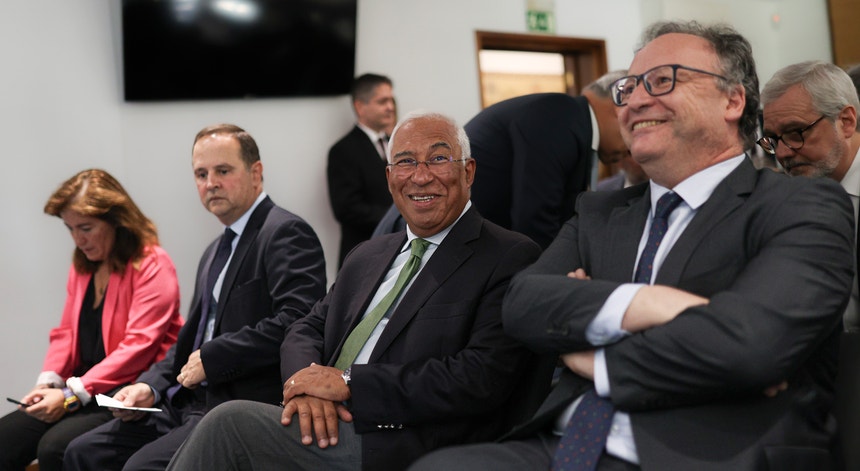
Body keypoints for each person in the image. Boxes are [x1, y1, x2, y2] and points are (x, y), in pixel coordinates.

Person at [411, 20, 854, 471]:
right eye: (629, 87)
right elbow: (523, 304)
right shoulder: (599, 212)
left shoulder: (801, 205)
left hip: (712, 450)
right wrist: (647, 303)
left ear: (732, 100)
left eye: (663, 80)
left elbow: (751, 347)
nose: (636, 100)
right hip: (560, 444)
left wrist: (593, 356)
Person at [165, 111, 549, 471]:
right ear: (389, 177)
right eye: (405, 162)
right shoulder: (368, 255)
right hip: (325, 422)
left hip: (402, 437)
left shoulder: (508, 255)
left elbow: (480, 377)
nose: (420, 177)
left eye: (437, 159)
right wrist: (307, 386)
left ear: (468, 171)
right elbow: (305, 327)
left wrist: (349, 384)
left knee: (227, 424)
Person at [63, 124, 328, 470]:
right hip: (186, 399)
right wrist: (150, 386)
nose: (210, 183)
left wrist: (214, 357)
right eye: (201, 174)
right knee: (81, 452)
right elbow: (192, 338)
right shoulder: (215, 250)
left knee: (139, 467)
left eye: (223, 171)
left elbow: (296, 322)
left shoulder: (285, 232)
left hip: (234, 403)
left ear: (256, 173)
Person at [0, 169, 183, 471]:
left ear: (117, 221)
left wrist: (70, 394)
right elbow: (66, 332)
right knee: (5, 438)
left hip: (126, 393)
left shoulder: (153, 264)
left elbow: (138, 347)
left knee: (55, 448)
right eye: (70, 228)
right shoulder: (83, 265)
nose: (77, 239)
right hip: (84, 386)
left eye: (85, 228)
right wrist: (49, 382)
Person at [465, 70, 630, 249]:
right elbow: (536, 221)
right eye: (636, 123)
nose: (632, 148)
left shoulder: (571, 120)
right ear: (620, 104)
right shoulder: (560, 115)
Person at [760, 60, 860, 331]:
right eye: (772, 140)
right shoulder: (784, 201)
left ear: (846, 122)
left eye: (796, 133)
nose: (782, 153)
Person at [328, 73, 396, 267]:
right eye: (382, 101)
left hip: (398, 251)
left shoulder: (396, 143)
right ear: (360, 106)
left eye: (391, 100)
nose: (390, 107)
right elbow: (346, 209)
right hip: (364, 255)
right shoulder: (343, 150)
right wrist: (399, 216)